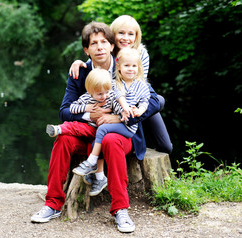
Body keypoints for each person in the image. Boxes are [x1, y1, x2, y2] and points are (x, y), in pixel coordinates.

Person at [30, 21, 161, 233]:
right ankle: (52, 203)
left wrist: (118, 118)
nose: (99, 47)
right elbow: (64, 111)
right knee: (62, 137)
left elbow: (154, 101)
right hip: (88, 132)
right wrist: (90, 113)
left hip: (120, 135)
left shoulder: (124, 68)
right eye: (93, 43)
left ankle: (121, 210)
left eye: (104, 42)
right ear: (86, 50)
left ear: (112, 46)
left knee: (109, 138)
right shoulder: (80, 72)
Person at [69, 15, 173, 195]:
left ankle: (134, 134)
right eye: (121, 33)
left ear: (136, 36)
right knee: (107, 131)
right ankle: (103, 170)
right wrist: (80, 63)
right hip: (119, 101)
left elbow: (141, 85)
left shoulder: (141, 54)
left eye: (131, 34)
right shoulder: (109, 52)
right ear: (113, 36)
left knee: (166, 144)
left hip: (137, 101)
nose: (126, 38)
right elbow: (96, 61)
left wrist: (122, 115)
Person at [72, 47, 150, 184]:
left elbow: (145, 101)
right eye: (127, 66)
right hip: (119, 120)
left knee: (102, 129)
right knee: (102, 131)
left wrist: (140, 111)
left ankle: (91, 160)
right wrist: (124, 108)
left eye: (134, 66)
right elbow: (118, 97)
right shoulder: (115, 84)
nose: (130, 69)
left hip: (128, 125)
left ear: (139, 67)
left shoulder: (142, 86)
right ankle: (98, 174)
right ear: (119, 67)